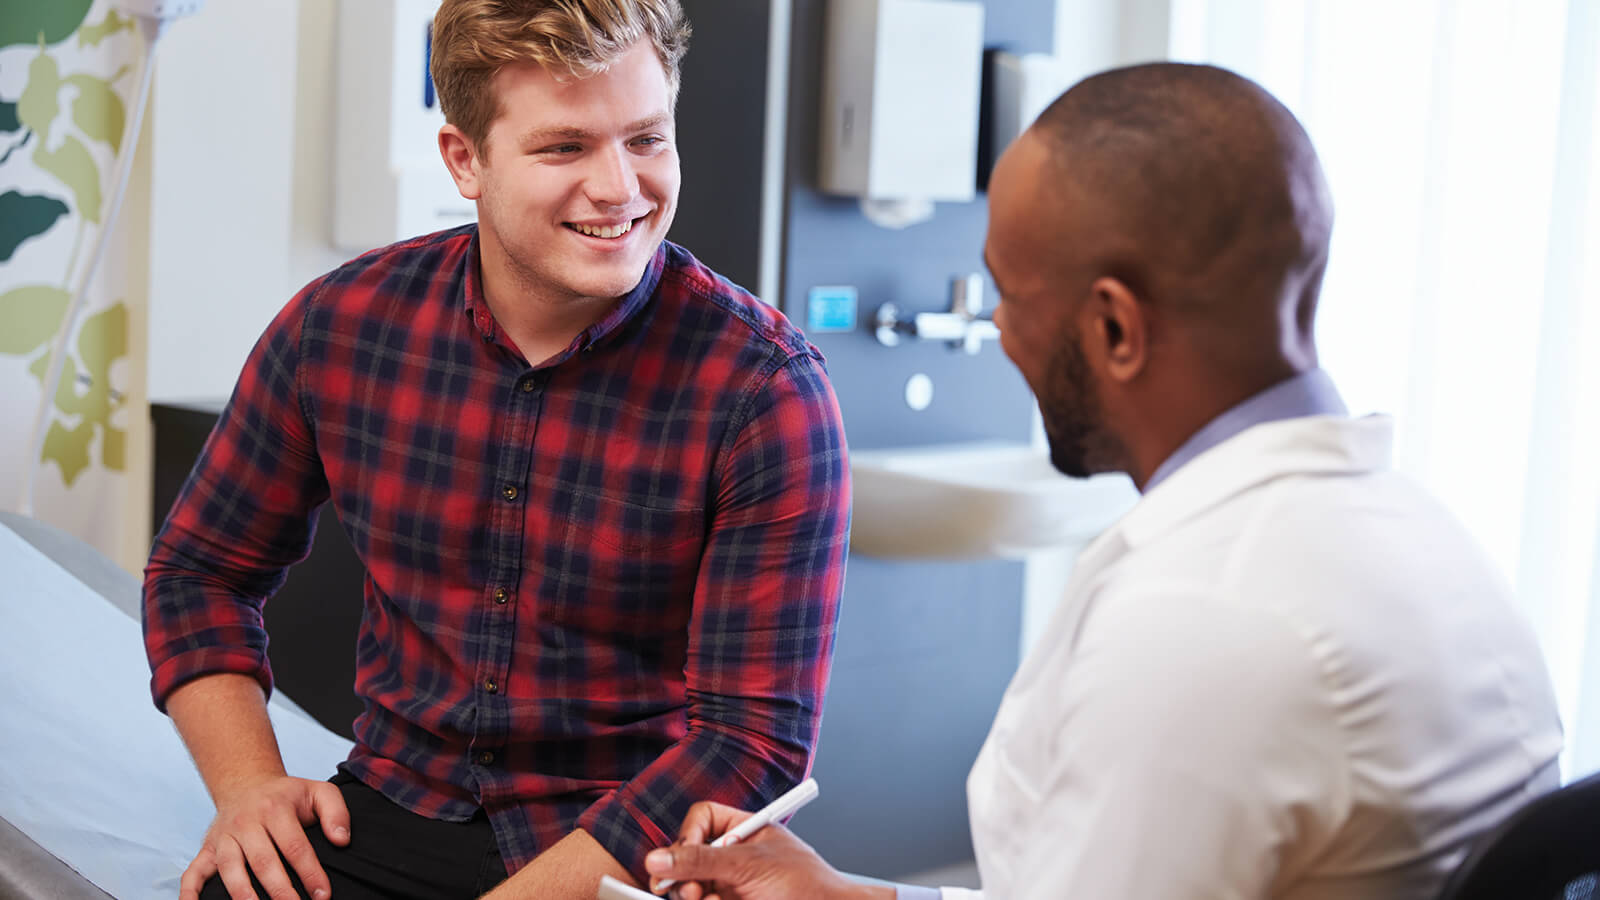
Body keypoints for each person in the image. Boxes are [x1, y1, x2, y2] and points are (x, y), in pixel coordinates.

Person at [642, 62, 1564, 900]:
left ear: (1116, 329)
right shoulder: (1423, 539)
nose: (999, 332)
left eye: (1009, 294)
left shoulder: (1205, 615)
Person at [141, 2, 850, 899]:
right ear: (464, 161)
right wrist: (245, 788)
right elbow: (198, 570)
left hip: (633, 847)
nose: (620, 188)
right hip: (391, 807)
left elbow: (750, 744)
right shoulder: (340, 328)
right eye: (565, 149)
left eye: (646, 139)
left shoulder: (765, 390)